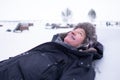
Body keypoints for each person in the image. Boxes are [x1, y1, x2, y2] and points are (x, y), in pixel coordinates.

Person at [0, 22, 103, 80]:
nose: (73, 32)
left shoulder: (76, 61)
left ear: (84, 44)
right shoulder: (53, 47)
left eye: (80, 33)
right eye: (73, 30)